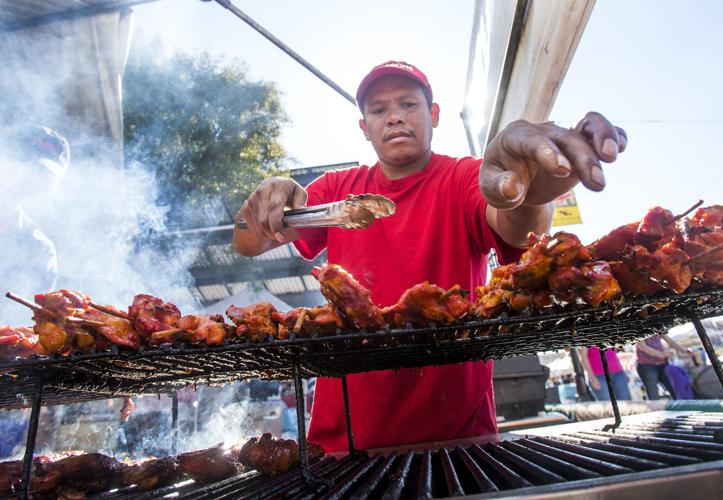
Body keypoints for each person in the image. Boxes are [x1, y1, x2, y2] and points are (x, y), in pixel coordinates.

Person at [233, 61, 627, 452]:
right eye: (379, 109)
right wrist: (268, 197)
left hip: (459, 438)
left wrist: (530, 193)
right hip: (344, 441)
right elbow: (248, 242)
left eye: (408, 104)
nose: (394, 118)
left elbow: (517, 225)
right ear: (364, 127)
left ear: (433, 114)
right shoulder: (338, 189)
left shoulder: (463, 177)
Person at [0, 125, 68, 325]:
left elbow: (27, 329)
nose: (27, 182)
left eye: (41, 176)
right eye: (24, 167)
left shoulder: (40, 250)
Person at [635, 334, 689, 400]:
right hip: (646, 366)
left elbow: (671, 342)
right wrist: (663, 355)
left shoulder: (658, 327)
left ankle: (681, 408)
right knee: (653, 394)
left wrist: (684, 350)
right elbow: (643, 347)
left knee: (674, 389)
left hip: (662, 364)